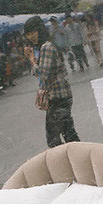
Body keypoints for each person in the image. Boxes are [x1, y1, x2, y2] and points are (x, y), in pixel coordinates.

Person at [25, 16, 80, 148]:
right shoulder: (44, 46)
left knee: (54, 140)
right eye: (28, 34)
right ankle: (79, 161)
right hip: (59, 96)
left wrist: (31, 60)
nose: (31, 36)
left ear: (40, 30)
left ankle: (75, 162)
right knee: (68, 134)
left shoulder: (47, 47)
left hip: (58, 97)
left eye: (33, 32)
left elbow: (43, 74)